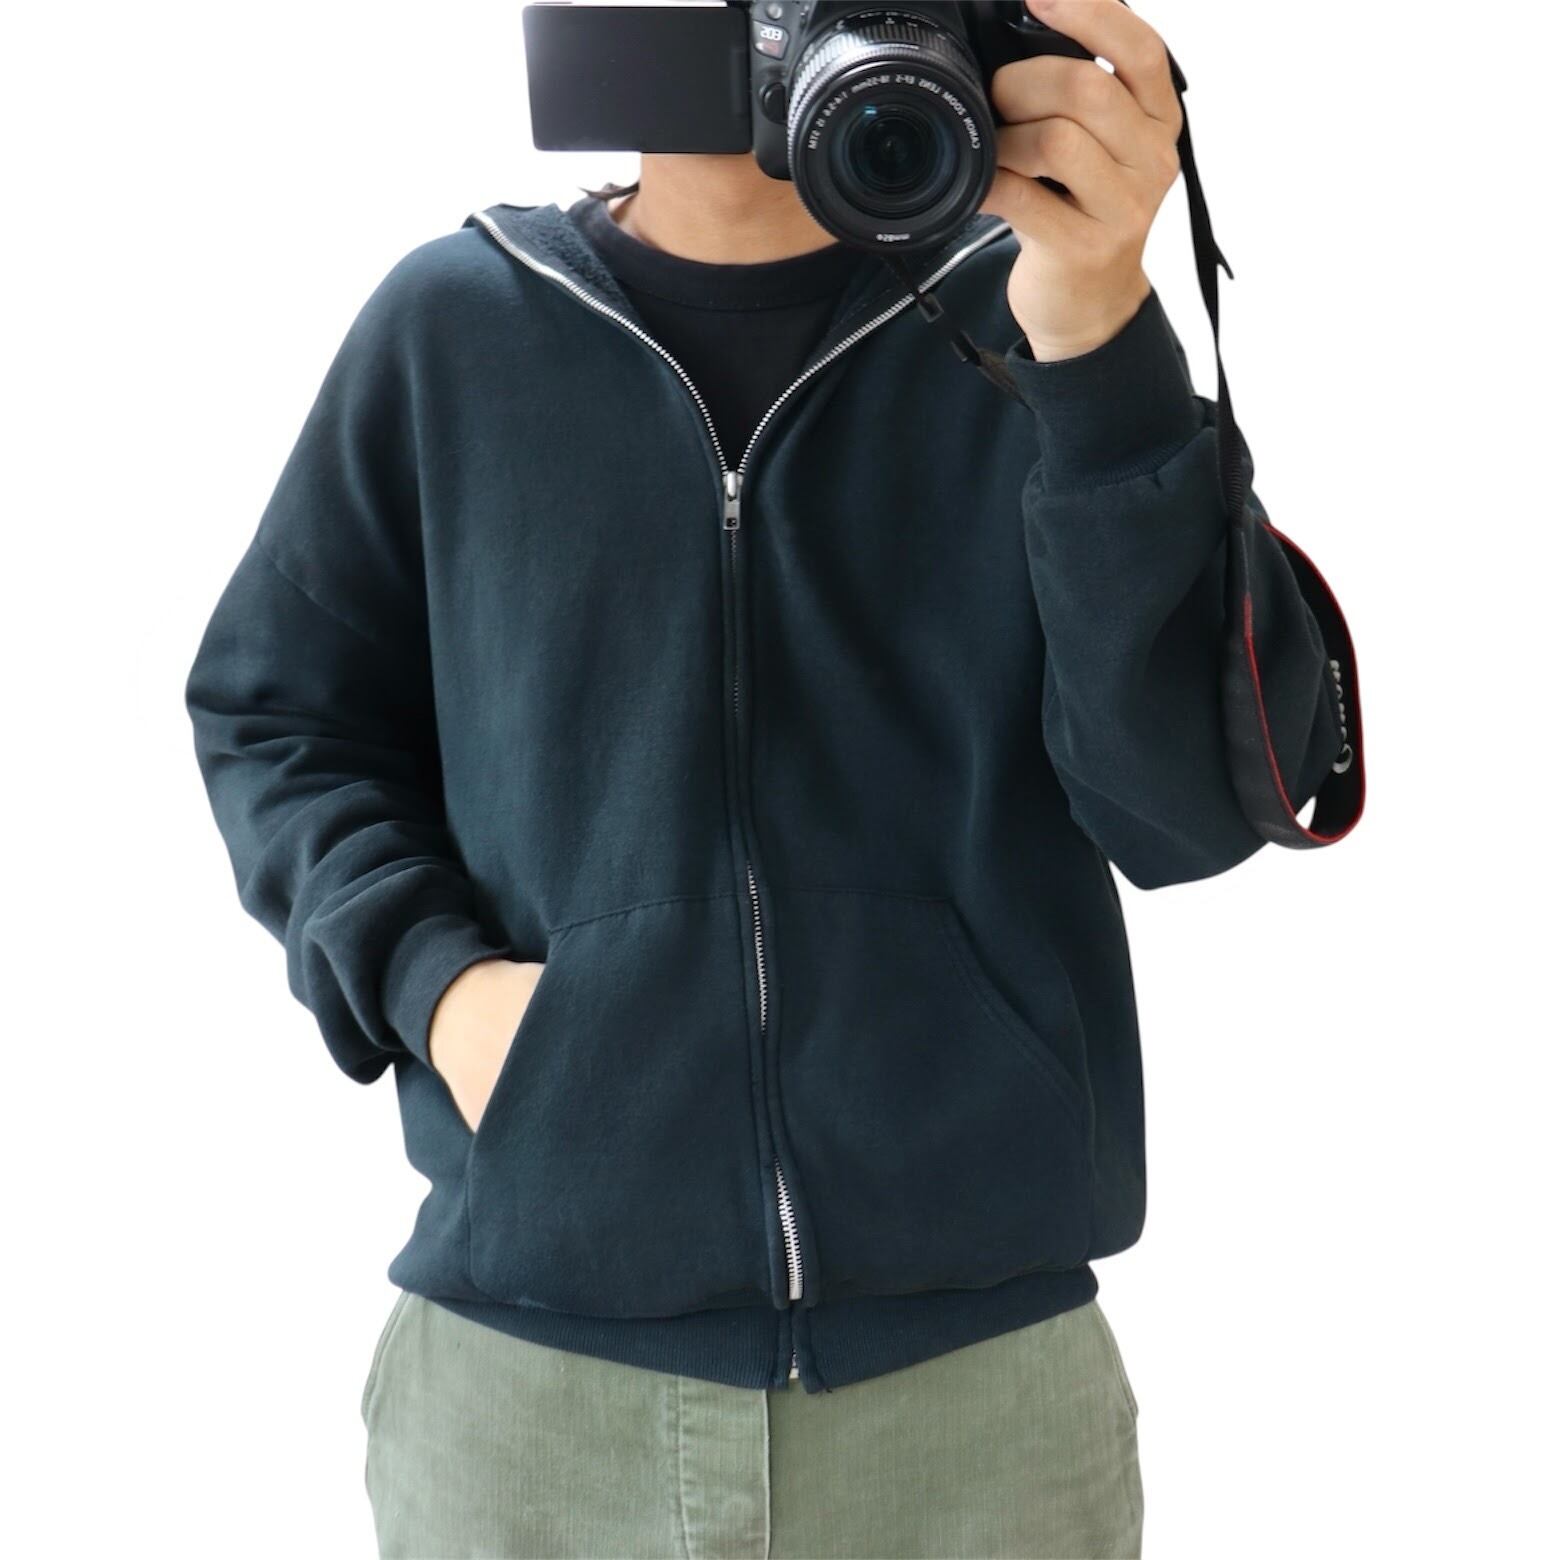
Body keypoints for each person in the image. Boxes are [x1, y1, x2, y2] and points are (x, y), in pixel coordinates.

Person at [184, 2, 1361, 1554]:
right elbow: (276, 713)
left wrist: (1099, 336)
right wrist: (442, 990)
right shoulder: (455, 328)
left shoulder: (1037, 327)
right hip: (528, 1402)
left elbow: (1176, 816)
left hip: (979, 1411)